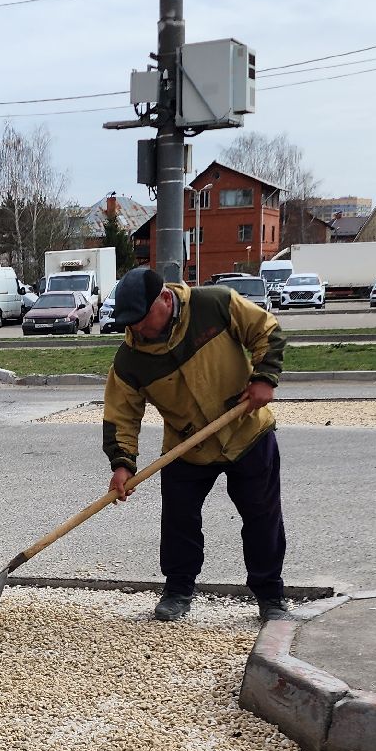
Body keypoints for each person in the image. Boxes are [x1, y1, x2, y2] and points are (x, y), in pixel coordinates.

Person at [103, 266, 290, 623]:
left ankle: (270, 596)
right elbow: (121, 416)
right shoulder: (130, 359)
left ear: (164, 298)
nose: (138, 330)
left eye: (142, 320)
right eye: (131, 324)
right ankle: (177, 590)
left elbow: (265, 329)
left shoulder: (214, 305)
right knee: (179, 521)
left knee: (262, 518)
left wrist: (265, 377)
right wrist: (122, 463)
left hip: (247, 432)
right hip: (186, 445)